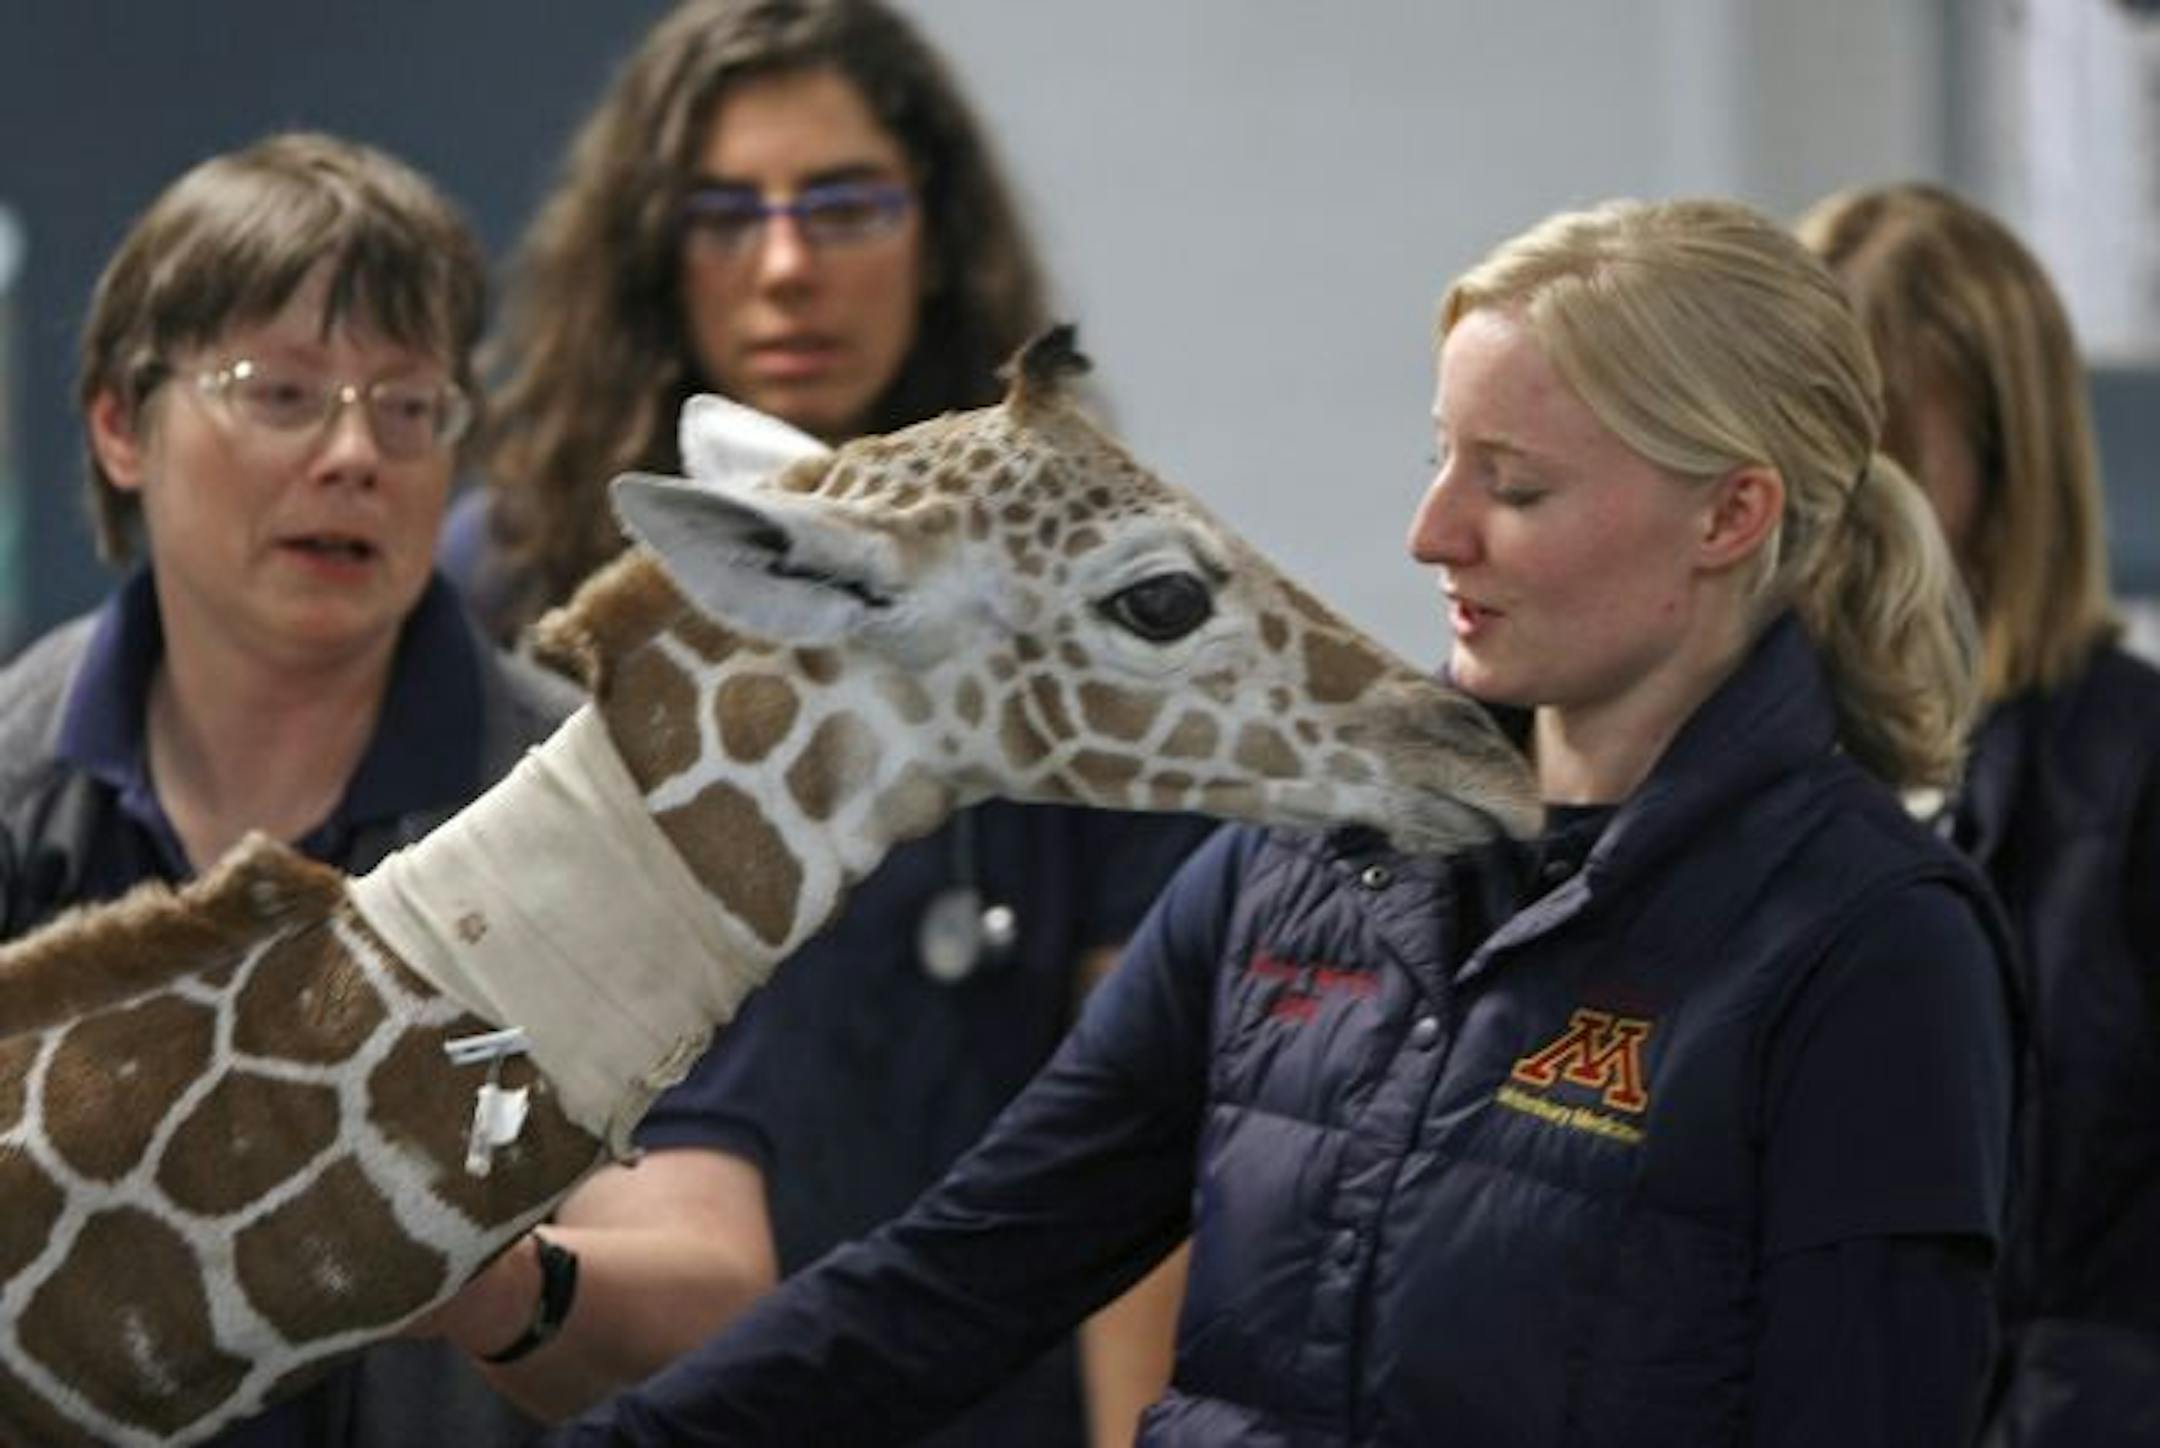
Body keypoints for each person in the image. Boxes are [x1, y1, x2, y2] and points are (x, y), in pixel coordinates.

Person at [556, 197, 2020, 1448]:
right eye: (1440, 456)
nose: (1432, 532)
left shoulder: (1869, 946)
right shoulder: (1305, 861)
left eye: (1514, 485)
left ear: (1730, 517)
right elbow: (960, 1277)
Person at [437, 3, 1213, 1443]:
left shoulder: (1081, 604)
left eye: (844, 204)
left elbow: (1143, 1118)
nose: (787, 265)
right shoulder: (512, 586)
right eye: (726, 212)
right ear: (652, 247)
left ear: (935, 231)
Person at [0, 133, 595, 1445]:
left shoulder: (582, 805)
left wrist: (489, 1279)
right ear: (117, 425)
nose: (354, 455)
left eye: (408, 405)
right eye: (280, 394)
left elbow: (723, 1291)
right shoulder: (13, 774)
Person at [1799, 182, 2160, 1448]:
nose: (1835, 506)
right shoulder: (1759, 766)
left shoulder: (2133, 768)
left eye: (1882, 452)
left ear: (2009, 464)